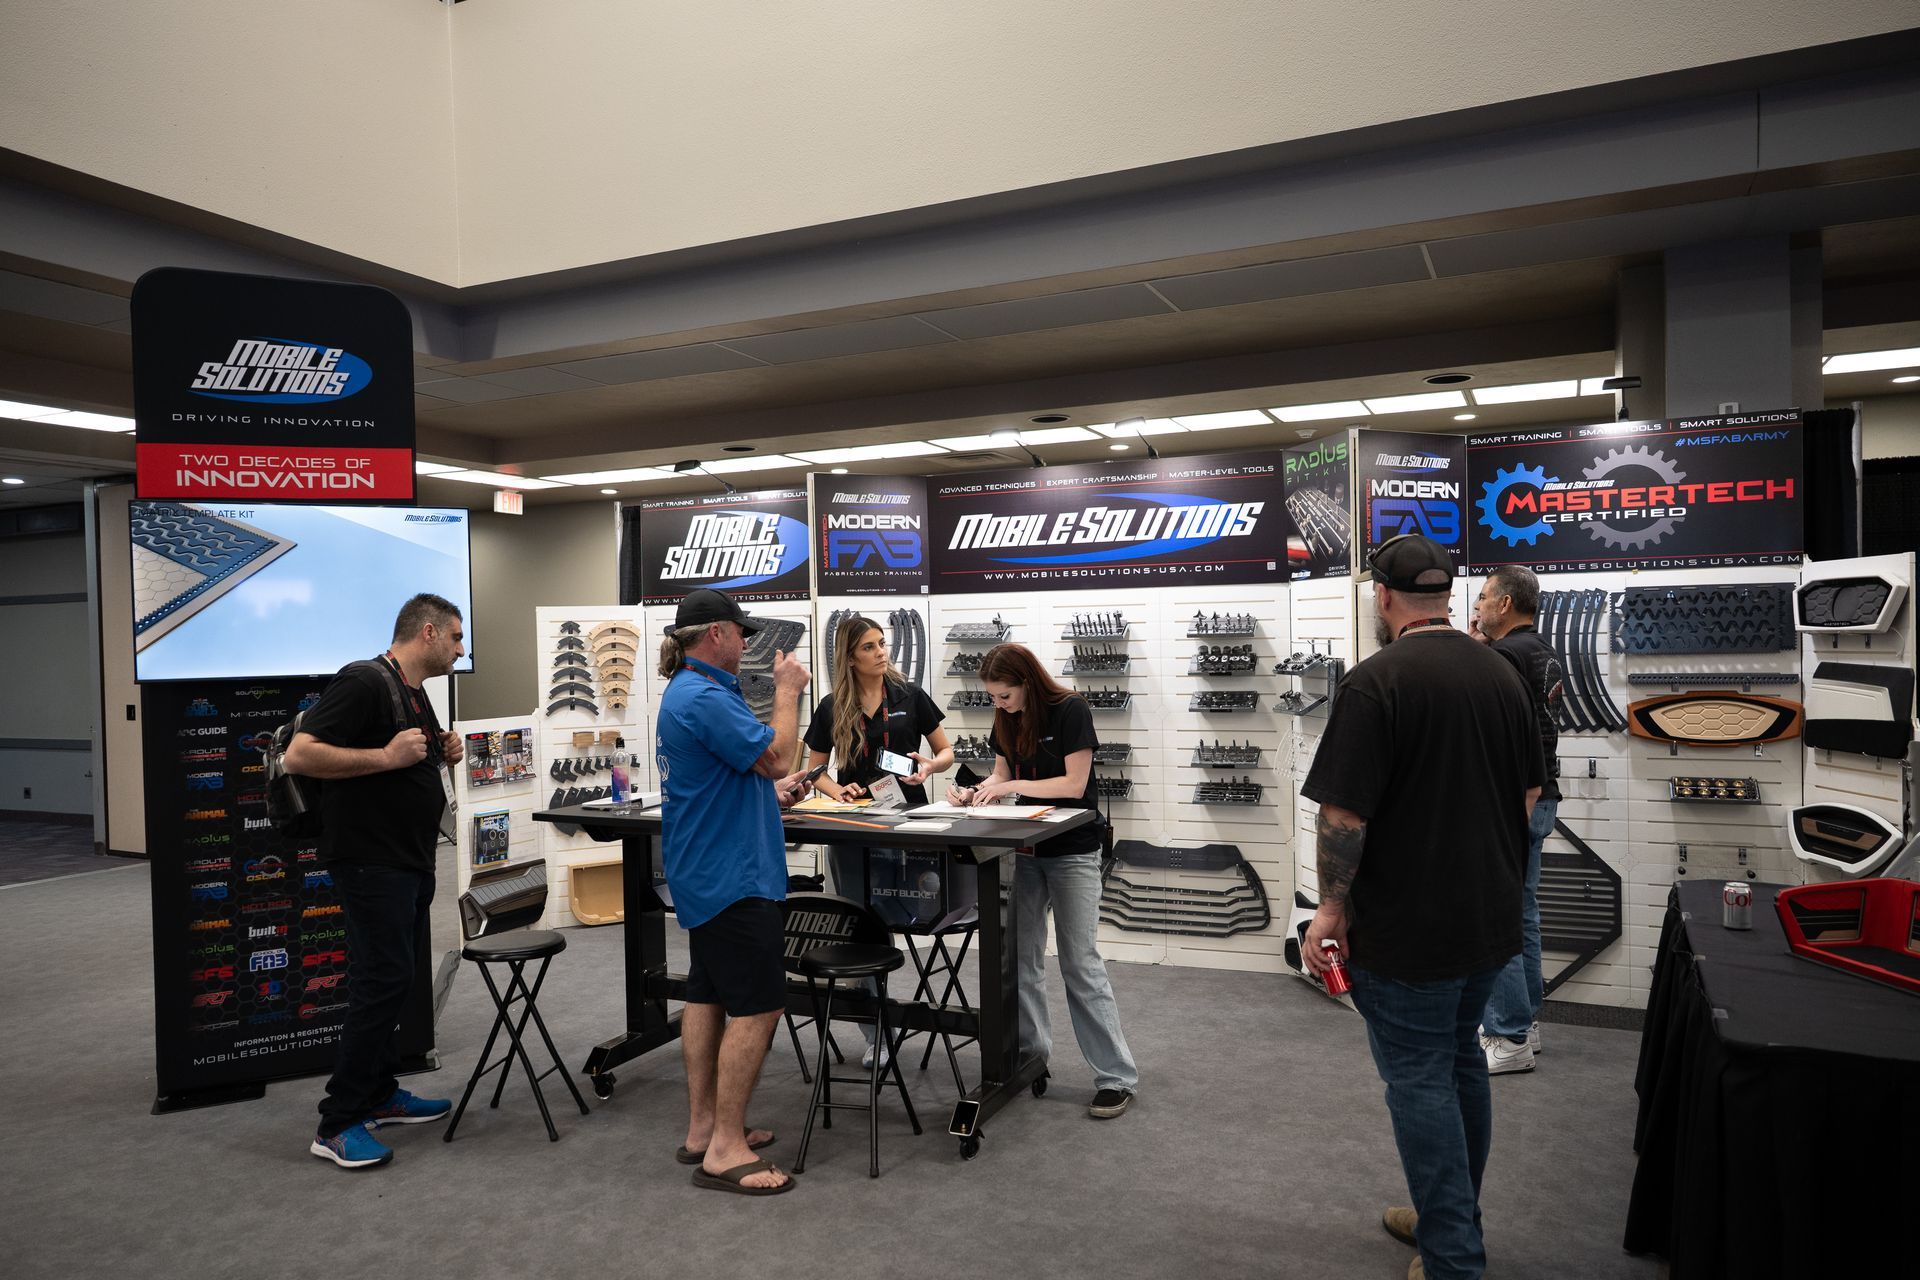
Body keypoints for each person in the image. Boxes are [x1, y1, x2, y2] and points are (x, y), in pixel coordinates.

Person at [1300, 535, 1544, 1280]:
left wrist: (1329, 911)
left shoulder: (1377, 683)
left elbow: (1343, 819)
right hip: (1488, 920)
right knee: (1461, 1067)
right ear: (1450, 595)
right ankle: (1452, 1218)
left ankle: (1452, 1260)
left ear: (1382, 597)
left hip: (1409, 931)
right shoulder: (1503, 675)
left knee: (1420, 1083)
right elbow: (1530, 797)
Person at [287, 592, 467, 1170]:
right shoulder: (363, 681)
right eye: (458, 639)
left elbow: (413, 760)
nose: (462, 651)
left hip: (408, 859)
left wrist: (444, 754)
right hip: (370, 862)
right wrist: (388, 758)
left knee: (396, 980)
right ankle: (338, 1121)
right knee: (379, 981)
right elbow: (300, 755)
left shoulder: (414, 692)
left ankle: (381, 1093)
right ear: (430, 632)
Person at [655, 587, 812, 1196]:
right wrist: (788, 692)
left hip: (710, 871)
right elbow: (775, 755)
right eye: (741, 633)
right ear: (715, 633)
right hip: (731, 877)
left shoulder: (696, 692)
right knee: (760, 1006)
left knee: (709, 996)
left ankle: (704, 1128)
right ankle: (724, 1149)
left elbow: (743, 773)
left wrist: (765, 793)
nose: (748, 644)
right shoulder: (702, 695)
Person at [945, 642, 1139, 1120]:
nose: (999, 705)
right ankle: (1032, 1059)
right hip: (1026, 851)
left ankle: (1116, 1077)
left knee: (1080, 963)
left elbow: (1073, 786)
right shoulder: (1005, 717)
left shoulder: (1070, 709)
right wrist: (977, 793)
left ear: (1027, 683)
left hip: (1073, 852)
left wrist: (1009, 787)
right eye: (992, 698)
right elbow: (1002, 773)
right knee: (1021, 960)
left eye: (1004, 696)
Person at [803, 614, 955, 1064]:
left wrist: (929, 766)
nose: (881, 653)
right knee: (863, 927)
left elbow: (946, 752)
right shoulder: (832, 706)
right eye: (869, 647)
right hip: (854, 829)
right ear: (850, 658)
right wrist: (837, 790)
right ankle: (877, 1035)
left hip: (910, 826)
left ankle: (925, 1017)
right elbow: (815, 771)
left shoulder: (910, 695)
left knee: (918, 916)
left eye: (882, 644)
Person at [1470, 565, 1563, 1075]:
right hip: (1542, 796)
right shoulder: (1542, 652)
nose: (1479, 606)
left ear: (1505, 604)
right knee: (1523, 913)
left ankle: (1506, 1037)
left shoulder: (1505, 657)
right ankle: (1523, 1022)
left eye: (1484, 598)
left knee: (1499, 917)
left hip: (1512, 801)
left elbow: (1495, 733)